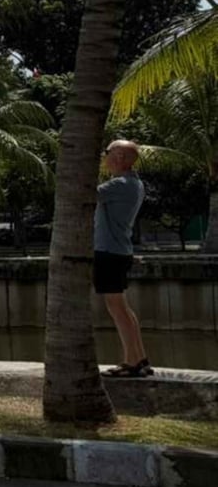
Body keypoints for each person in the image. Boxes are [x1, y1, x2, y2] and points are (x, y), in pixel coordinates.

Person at [96, 139, 151, 378]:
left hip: (109, 252)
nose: (104, 157)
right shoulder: (134, 184)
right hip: (117, 250)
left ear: (118, 157)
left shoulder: (120, 184)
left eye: (106, 152)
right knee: (123, 308)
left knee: (117, 308)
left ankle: (131, 362)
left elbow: (81, 192)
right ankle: (139, 358)